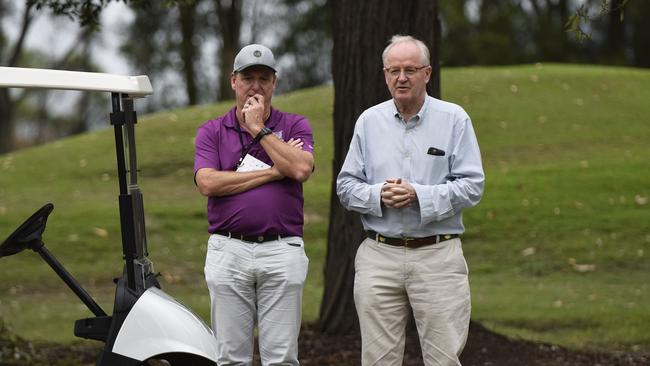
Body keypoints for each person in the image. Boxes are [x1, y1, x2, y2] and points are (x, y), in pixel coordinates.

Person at [336, 35, 485, 366]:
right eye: (393, 70)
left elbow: (472, 186)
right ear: (385, 74)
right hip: (379, 255)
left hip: (437, 256)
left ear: (427, 73)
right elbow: (346, 186)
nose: (401, 78)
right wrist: (378, 195)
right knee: (378, 361)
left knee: (443, 360)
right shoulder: (368, 122)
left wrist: (419, 195)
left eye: (410, 69)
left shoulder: (454, 119)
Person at [193, 43, 314, 365]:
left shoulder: (295, 125)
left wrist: (259, 128)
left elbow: (300, 169)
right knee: (231, 358)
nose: (256, 86)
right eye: (248, 78)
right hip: (229, 250)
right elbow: (207, 183)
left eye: (264, 78)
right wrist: (277, 171)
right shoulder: (212, 131)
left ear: (274, 83)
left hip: (282, 248)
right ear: (234, 81)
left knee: (282, 359)